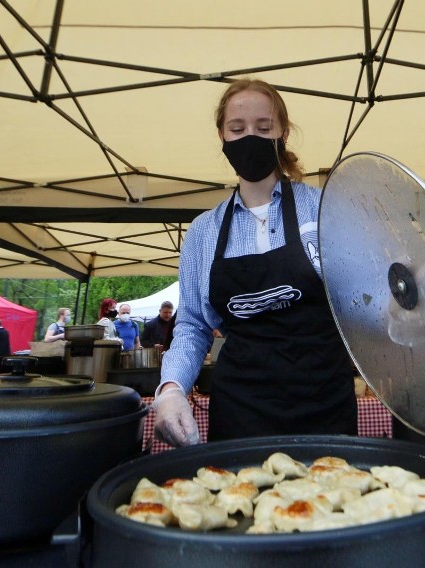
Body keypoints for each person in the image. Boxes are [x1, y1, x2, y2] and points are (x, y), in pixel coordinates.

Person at [152, 78, 357, 447]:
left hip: (324, 400)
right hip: (240, 408)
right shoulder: (203, 230)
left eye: (264, 128)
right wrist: (171, 389)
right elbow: (194, 326)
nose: (250, 137)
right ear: (222, 136)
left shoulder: (326, 208)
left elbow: (364, 301)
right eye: (237, 128)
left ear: (283, 133)